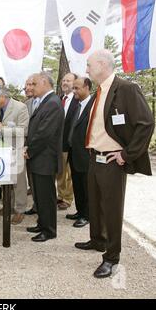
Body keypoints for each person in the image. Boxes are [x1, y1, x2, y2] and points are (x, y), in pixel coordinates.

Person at [75, 49, 155, 278]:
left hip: (112, 160)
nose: (87, 69)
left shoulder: (126, 88)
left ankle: (111, 257)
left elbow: (146, 123)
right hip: (95, 157)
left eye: (89, 65)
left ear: (102, 64)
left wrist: (127, 154)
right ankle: (98, 240)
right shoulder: (100, 91)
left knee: (111, 209)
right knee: (95, 204)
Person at [24, 72, 64, 242]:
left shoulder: (53, 103)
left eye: (35, 84)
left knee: (46, 196)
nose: (32, 87)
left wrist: (29, 150)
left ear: (45, 83)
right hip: (39, 158)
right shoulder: (46, 102)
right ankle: (42, 223)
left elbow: (44, 134)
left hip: (45, 158)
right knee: (39, 195)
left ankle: (49, 230)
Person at [0, 85, 29, 225]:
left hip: (16, 150)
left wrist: (2, 128)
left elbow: (23, 130)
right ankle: (8, 206)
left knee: (19, 182)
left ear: (2, 97)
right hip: (2, 151)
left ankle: (20, 210)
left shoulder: (20, 107)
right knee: (7, 181)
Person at [67, 78, 94, 228]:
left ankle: (87, 215)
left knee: (85, 185)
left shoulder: (92, 106)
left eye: (77, 88)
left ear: (87, 87)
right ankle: (79, 210)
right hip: (73, 151)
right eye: (73, 88)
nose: (74, 91)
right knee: (77, 184)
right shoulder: (76, 105)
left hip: (85, 153)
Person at [57, 73, 78, 211]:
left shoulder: (78, 101)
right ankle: (60, 195)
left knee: (68, 173)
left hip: (70, 143)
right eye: (63, 80)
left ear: (74, 83)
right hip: (57, 142)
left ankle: (67, 198)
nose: (65, 82)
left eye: (68, 81)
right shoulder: (58, 99)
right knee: (59, 171)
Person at [23, 75, 38, 216]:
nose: (28, 88)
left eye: (31, 84)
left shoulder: (48, 103)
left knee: (42, 182)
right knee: (32, 177)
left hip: (41, 148)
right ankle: (36, 205)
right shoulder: (26, 104)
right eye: (26, 85)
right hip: (28, 146)